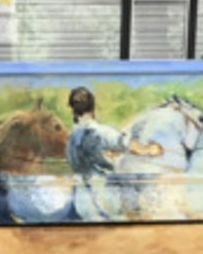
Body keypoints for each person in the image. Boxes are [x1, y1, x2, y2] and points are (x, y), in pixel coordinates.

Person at [66, 86, 158, 221]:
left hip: (81, 201)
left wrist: (109, 156)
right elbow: (131, 146)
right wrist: (151, 149)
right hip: (105, 200)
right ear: (92, 108)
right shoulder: (101, 132)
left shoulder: (72, 138)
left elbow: (89, 157)